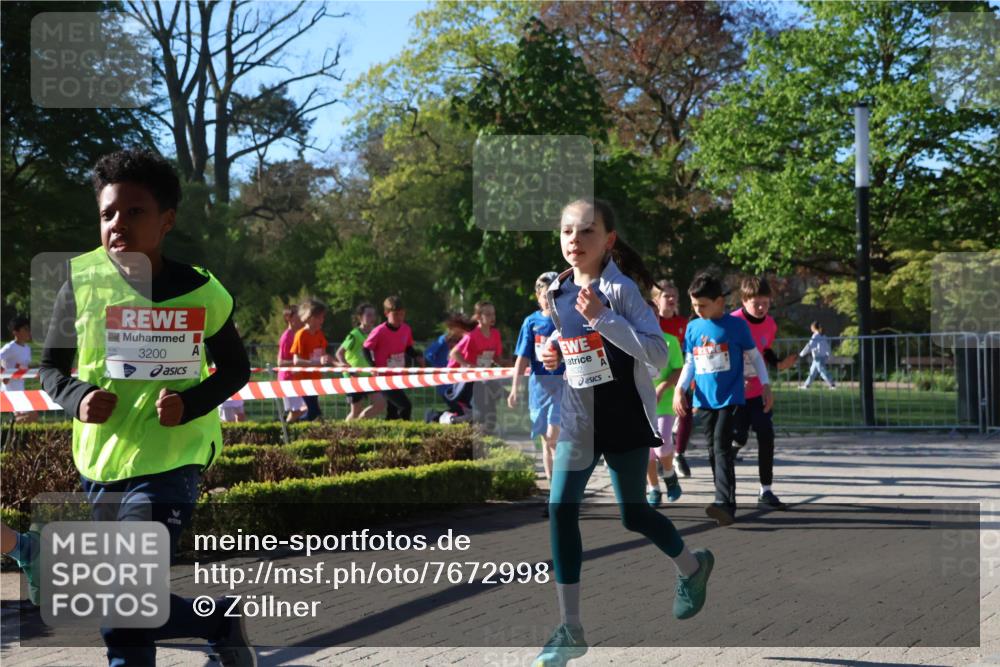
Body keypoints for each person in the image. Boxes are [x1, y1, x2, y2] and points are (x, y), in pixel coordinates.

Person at [38, 149, 254, 666]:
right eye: (108, 213)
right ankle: (216, 620)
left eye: (135, 212)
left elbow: (236, 369)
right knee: (128, 603)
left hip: (171, 460)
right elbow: (49, 368)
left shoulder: (202, 291)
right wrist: (79, 397)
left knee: (123, 605)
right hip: (102, 464)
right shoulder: (80, 285)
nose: (118, 225)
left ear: (166, 221)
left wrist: (189, 402)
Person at [532, 198, 714, 667]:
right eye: (567, 231)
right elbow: (565, 333)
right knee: (559, 508)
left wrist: (604, 319)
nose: (575, 240)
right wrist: (553, 350)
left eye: (587, 231)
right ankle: (570, 628)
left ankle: (692, 568)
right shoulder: (556, 289)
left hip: (625, 418)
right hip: (579, 417)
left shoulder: (622, 290)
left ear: (608, 241)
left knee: (633, 515)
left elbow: (656, 354)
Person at [673, 272, 772, 528]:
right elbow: (691, 362)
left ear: (719, 301)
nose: (697, 310)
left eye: (702, 305)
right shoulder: (694, 327)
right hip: (704, 400)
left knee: (721, 445)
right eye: (694, 305)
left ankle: (724, 502)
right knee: (712, 450)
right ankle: (724, 500)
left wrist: (766, 386)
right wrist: (680, 389)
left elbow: (756, 357)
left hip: (730, 398)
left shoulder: (737, 326)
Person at [731, 277, 798, 509]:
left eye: (766, 303)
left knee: (766, 435)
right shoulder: (732, 322)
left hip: (759, 391)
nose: (761, 308)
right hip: (735, 393)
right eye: (756, 303)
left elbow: (764, 350)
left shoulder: (770, 324)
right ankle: (731, 452)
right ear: (744, 300)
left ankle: (766, 491)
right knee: (739, 436)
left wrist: (779, 364)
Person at [508, 272, 564, 517]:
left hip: (562, 386)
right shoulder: (531, 322)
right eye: (544, 296)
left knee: (554, 438)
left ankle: (560, 496)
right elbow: (522, 357)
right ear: (537, 297)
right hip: (538, 389)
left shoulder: (565, 319)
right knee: (546, 441)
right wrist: (514, 387)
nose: (549, 300)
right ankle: (553, 494)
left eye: (553, 295)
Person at [652, 281, 693, 477]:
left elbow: (689, 353)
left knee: (684, 415)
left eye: (673, 296)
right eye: (666, 296)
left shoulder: (683, 324)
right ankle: (660, 466)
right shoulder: (649, 323)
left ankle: (679, 454)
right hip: (653, 387)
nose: (671, 300)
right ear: (656, 300)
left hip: (682, 376)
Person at [646, 300, 684, 507]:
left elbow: (679, 369)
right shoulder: (633, 342)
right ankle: (653, 488)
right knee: (646, 451)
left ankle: (669, 474)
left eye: (653, 315)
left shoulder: (670, 341)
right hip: (641, 405)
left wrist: (662, 387)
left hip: (664, 402)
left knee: (660, 446)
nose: (649, 319)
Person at [449, 300, 504, 433]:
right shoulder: (471, 336)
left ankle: (468, 423)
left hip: (484, 378)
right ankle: (456, 420)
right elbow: (454, 353)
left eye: (493, 314)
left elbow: (496, 357)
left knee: (492, 402)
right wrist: (469, 365)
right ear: (479, 317)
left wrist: (508, 366)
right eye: (488, 314)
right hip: (468, 380)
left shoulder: (495, 334)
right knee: (483, 407)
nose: (492, 317)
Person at [364, 295, 421, 420]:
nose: (399, 318)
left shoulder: (406, 329)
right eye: (395, 315)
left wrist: (417, 356)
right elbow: (366, 349)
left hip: (398, 376)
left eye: (402, 315)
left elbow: (408, 348)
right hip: (384, 378)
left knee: (392, 413)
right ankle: (407, 434)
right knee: (406, 406)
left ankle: (388, 437)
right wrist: (373, 367)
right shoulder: (379, 331)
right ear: (386, 313)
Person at [335, 302, 386, 420]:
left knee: (380, 404)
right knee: (355, 411)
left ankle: (358, 424)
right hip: (354, 378)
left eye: (373, 315)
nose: (372, 318)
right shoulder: (354, 335)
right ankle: (345, 432)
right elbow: (339, 353)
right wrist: (350, 369)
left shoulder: (375, 334)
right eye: (368, 315)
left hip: (369, 377)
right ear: (360, 317)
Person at [424, 312, 477, 422]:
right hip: (445, 384)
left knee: (462, 411)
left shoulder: (464, 340)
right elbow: (428, 354)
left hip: (458, 384)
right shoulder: (443, 340)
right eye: (460, 328)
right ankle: (434, 416)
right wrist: (440, 368)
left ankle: (435, 416)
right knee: (463, 411)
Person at [290, 299, 332, 421]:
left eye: (323, 317)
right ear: (310, 317)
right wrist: (315, 363)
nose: (322, 320)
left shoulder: (319, 334)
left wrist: (337, 363)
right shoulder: (301, 335)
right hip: (303, 380)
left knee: (313, 413)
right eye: (320, 317)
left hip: (315, 379)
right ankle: (291, 430)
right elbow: (296, 360)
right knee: (315, 412)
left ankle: (293, 428)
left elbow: (324, 356)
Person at [1, 315, 38, 422]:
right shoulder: (10, 347)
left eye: (28, 329)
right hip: (9, 391)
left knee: (32, 417)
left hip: (20, 390)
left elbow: (25, 365)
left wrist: (40, 367)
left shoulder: (27, 349)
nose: (28, 332)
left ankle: (9, 428)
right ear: (15, 332)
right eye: (25, 329)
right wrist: (3, 375)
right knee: (30, 416)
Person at [276, 304, 307, 423]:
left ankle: (290, 435)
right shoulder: (287, 337)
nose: (301, 318)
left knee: (305, 409)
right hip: (288, 379)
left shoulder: (299, 334)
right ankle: (283, 433)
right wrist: (299, 362)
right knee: (298, 411)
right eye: (298, 315)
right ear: (289, 318)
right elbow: (280, 362)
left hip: (297, 378)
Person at [800, 321, 836, 389]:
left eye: (811, 327)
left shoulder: (815, 336)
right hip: (821, 357)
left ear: (813, 327)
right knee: (812, 372)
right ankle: (806, 385)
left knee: (822, 371)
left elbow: (809, 346)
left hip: (818, 357)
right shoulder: (823, 335)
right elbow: (827, 347)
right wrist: (829, 354)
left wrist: (801, 354)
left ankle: (832, 384)